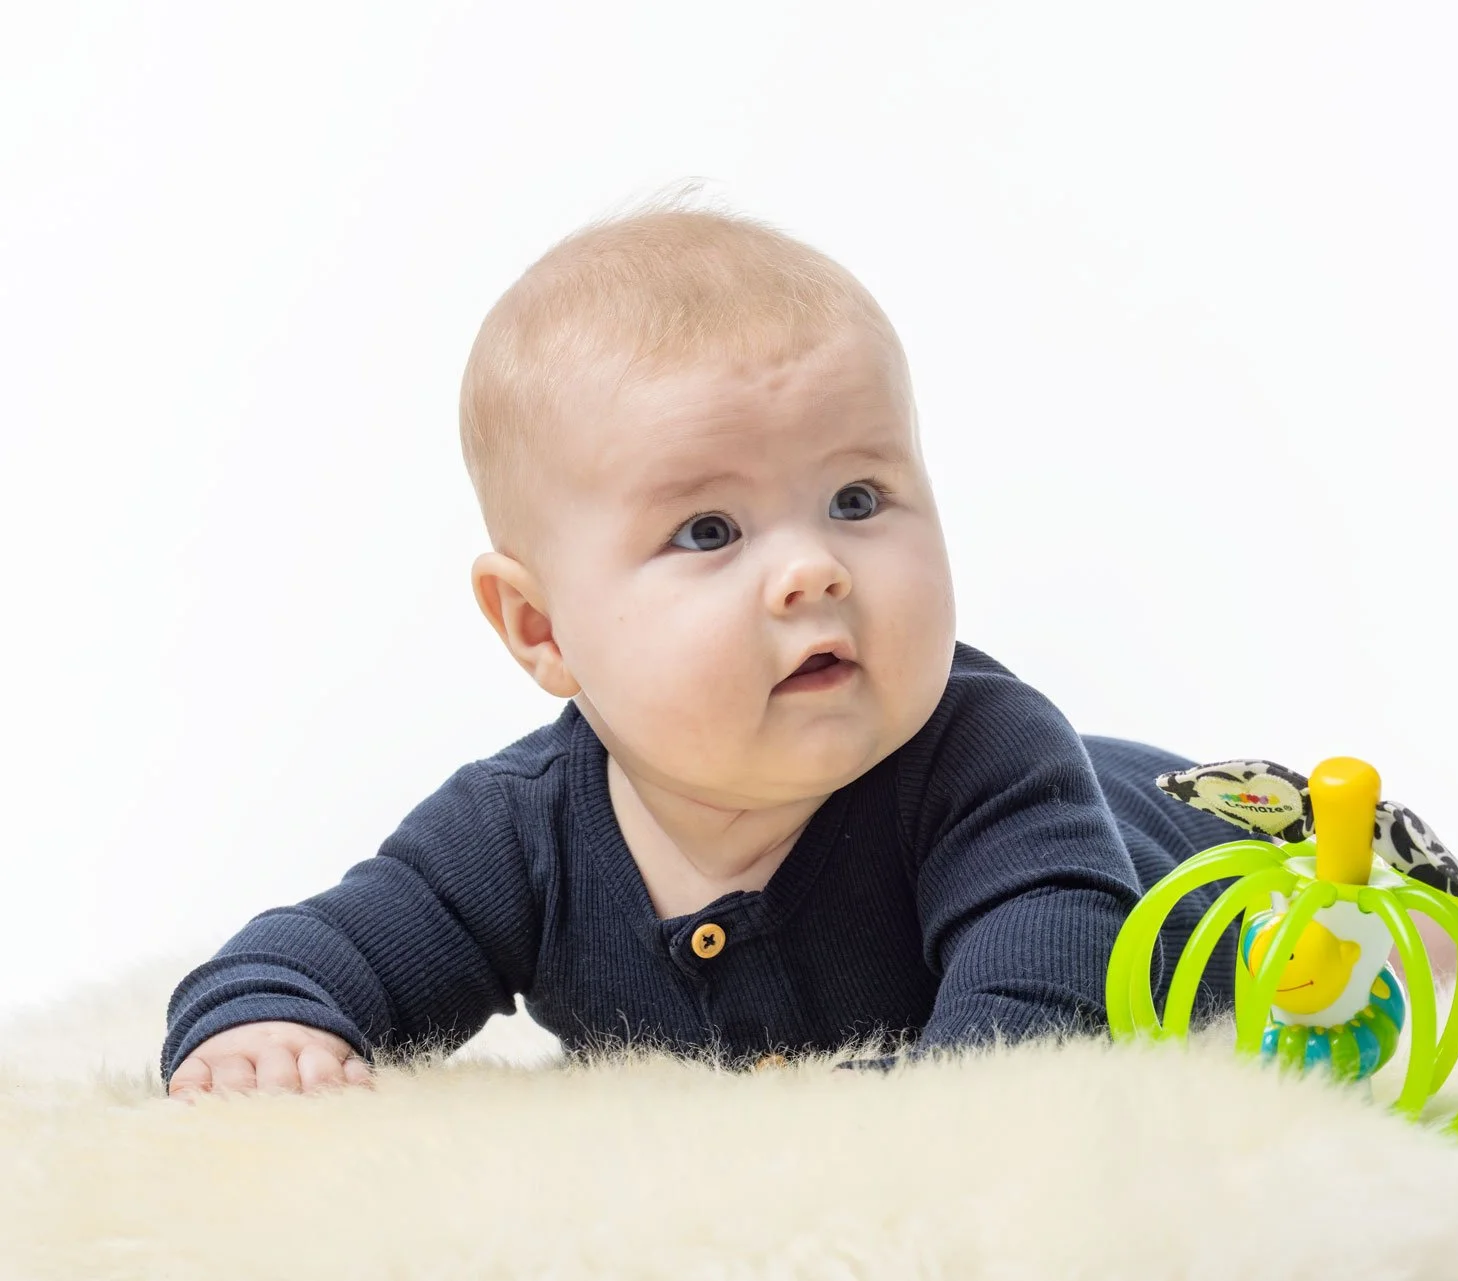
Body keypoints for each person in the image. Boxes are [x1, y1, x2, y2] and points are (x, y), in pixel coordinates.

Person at [162, 201, 1256, 1098]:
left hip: (1231, 843)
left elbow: (1042, 1015)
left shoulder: (987, 759)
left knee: (1378, 923)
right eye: (710, 532)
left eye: (857, 497)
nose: (812, 570)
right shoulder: (520, 830)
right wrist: (262, 1025)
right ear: (541, 629)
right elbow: (323, 952)